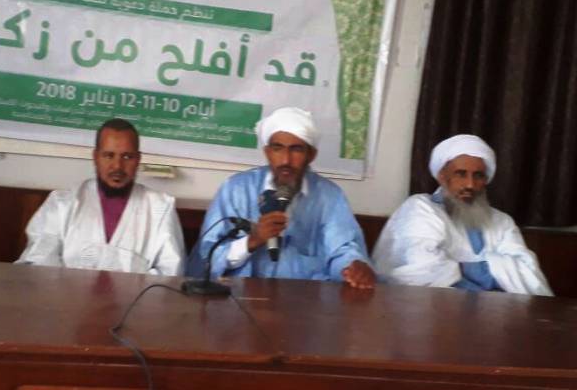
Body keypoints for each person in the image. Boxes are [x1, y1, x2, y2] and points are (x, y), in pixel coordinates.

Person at [186, 107, 375, 288]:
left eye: (296, 149)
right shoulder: (236, 190)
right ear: (267, 152)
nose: (286, 160)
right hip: (240, 297)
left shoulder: (329, 196)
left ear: (311, 155)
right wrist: (253, 240)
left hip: (307, 301)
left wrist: (352, 268)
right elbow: (206, 257)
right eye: (278, 148)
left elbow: (342, 249)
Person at [372, 134, 552, 295]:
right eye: (461, 174)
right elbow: (420, 270)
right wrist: (496, 271)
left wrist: (459, 269)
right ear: (442, 176)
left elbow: (528, 273)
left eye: (478, 176)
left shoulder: (502, 222)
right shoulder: (420, 207)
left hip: (497, 311)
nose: (470, 184)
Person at [16, 118, 185, 275]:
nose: (117, 166)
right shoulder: (62, 204)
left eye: (127, 157)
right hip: (66, 297)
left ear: (138, 159)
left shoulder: (160, 209)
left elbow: (170, 274)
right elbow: (39, 261)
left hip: (134, 298)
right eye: (108, 155)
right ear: (96, 157)